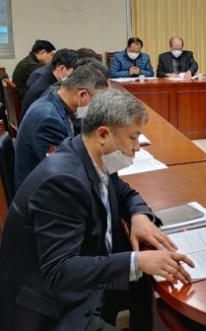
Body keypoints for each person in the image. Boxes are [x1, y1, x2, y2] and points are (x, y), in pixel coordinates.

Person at [0, 89, 194, 331]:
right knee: (141, 270)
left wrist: (139, 215)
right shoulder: (63, 182)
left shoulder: (91, 153)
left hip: (85, 267)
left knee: (143, 285)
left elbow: (123, 192)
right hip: (53, 308)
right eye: (133, 138)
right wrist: (136, 262)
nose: (137, 147)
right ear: (103, 134)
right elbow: (59, 271)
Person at [14, 64, 108, 190]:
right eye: (96, 102)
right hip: (42, 192)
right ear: (82, 95)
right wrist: (109, 162)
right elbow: (66, 170)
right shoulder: (48, 120)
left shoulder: (58, 100)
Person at [23, 48, 79, 116]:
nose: (77, 76)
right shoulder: (45, 90)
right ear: (62, 69)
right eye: (75, 72)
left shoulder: (49, 76)